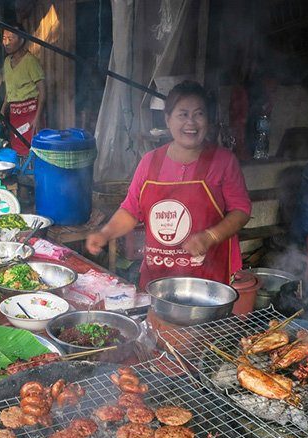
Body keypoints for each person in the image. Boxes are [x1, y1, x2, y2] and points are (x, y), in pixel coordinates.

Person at [87, 81, 252, 288]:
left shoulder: (223, 161)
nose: (190, 123)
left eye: (198, 114)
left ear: (208, 120)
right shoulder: (149, 162)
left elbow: (241, 210)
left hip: (209, 279)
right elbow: (130, 210)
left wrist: (210, 236)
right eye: (182, 114)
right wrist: (105, 233)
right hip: (158, 278)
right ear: (168, 120)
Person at [0, 23, 45, 155]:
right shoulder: (7, 62)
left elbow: (42, 91)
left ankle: (33, 176)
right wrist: (3, 109)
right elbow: (9, 90)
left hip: (31, 114)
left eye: (10, 38)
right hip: (15, 115)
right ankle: (22, 176)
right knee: (17, 148)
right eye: (4, 38)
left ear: (21, 40)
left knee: (31, 149)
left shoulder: (30, 61)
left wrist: (37, 117)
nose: (6, 43)